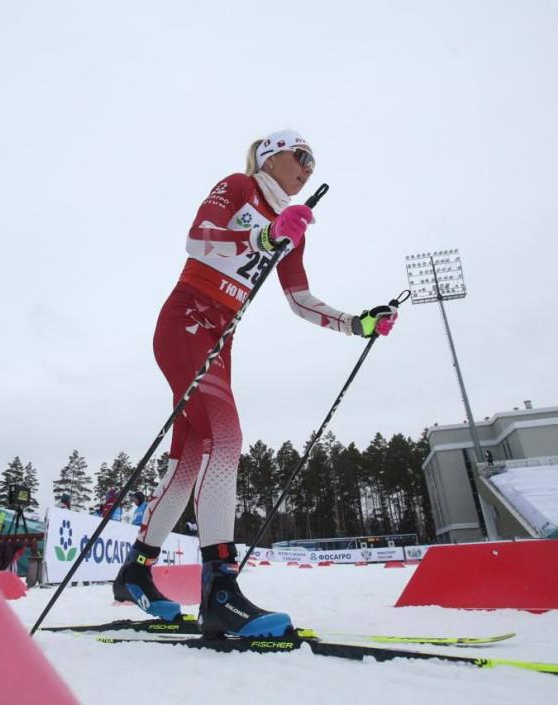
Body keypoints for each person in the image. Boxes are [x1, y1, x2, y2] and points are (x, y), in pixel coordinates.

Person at [112, 129, 398, 637]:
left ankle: (136, 570)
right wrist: (263, 236)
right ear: (272, 155)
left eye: (314, 161)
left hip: (221, 337)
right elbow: (196, 239)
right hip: (186, 320)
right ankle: (220, 590)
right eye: (301, 156)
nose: (308, 168)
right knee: (226, 438)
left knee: (193, 453)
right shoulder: (240, 187)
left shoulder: (295, 227)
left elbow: (300, 300)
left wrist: (357, 323)